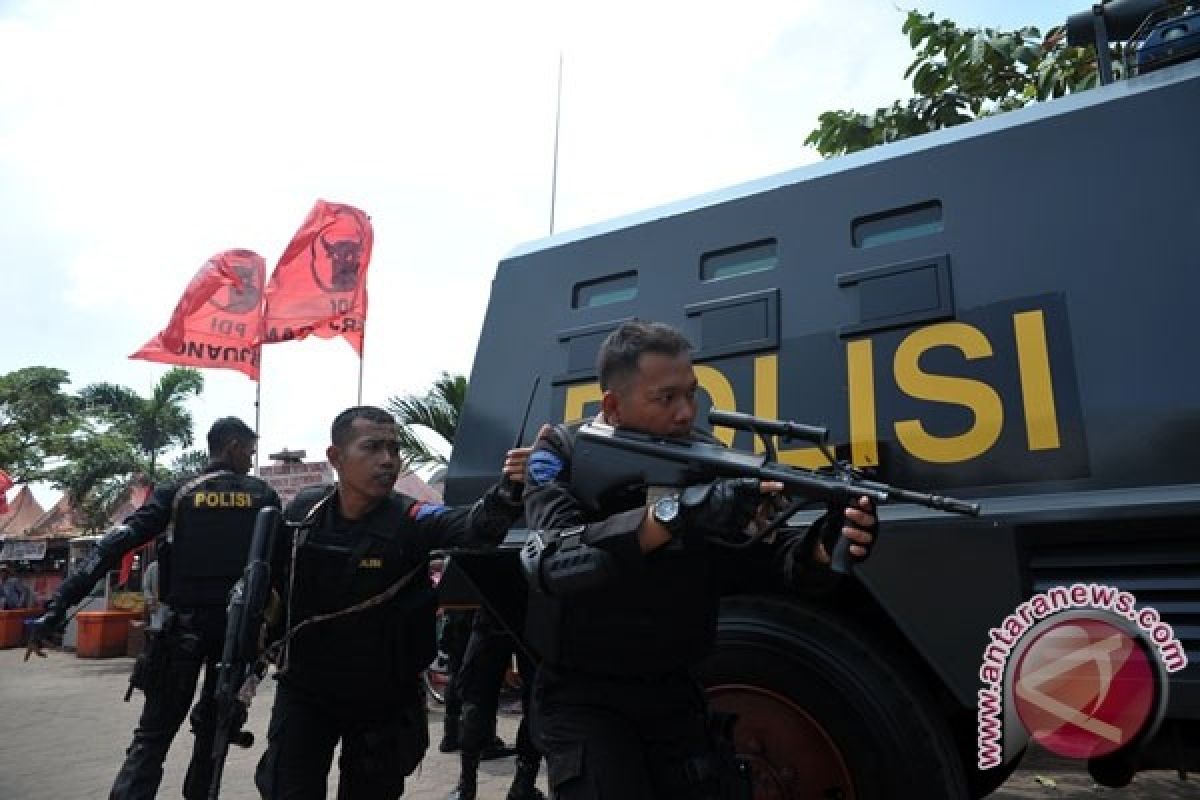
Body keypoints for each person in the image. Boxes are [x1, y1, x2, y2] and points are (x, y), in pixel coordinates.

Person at [521, 321, 878, 799]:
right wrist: (677, 514)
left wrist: (823, 543)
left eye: (691, 394)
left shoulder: (707, 457)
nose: (686, 413)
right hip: (585, 695)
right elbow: (558, 558)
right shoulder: (563, 451)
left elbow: (777, 566)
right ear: (612, 405)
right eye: (665, 399)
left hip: (675, 692)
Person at [254, 406, 536, 800]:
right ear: (336, 457)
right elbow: (266, 582)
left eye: (393, 448)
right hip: (305, 689)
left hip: (381, 697)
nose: (388, 460)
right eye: (372, 447)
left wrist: (510, 490)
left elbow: (474, 528)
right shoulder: (305, 511)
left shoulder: (412, 517)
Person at [28, 416, 280, 800]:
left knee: (152, 738)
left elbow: (112, 545)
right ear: (231, 446)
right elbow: (280, 570)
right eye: (248, 450)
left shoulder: (177, 492)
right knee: (213, 738)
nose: (250, 459)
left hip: (180, 632)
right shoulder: (263, 497)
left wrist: (59, 604)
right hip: (237, 634)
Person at [447, 605, 543, 800]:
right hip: (525, 612)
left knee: (479, 697)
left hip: (500, 613)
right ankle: (521, 785)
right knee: (535, 700)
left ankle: (468, 786)